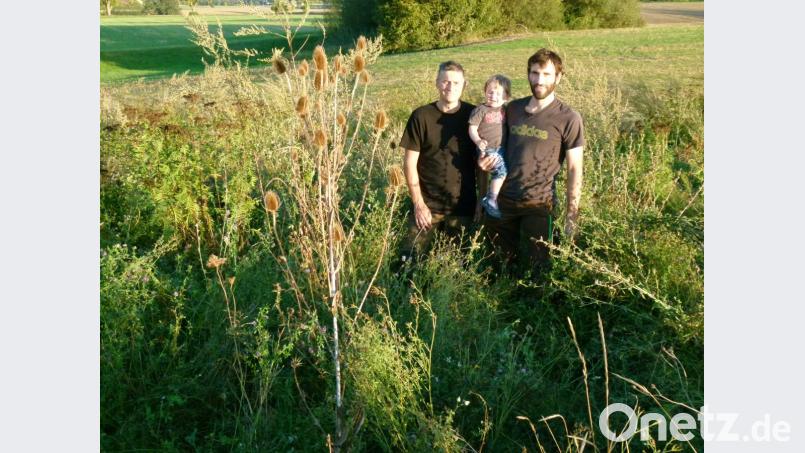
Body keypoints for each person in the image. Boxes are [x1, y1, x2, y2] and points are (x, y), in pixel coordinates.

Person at [479, 48, 584, 276]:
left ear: (558, 77)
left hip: (538, 206)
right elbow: (495, 143)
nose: (539, 80)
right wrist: (485, 160)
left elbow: (575, 168)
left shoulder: (568, 118)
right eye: (535, 73)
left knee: (538, 271)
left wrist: (571, 214)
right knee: (498, 267)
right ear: (528, 74)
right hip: (502, 202)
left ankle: (533, 306)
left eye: (546, 74)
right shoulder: (512, 109)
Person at [398, 61, 479, 261]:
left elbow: (484, 163)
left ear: (464, 85)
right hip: (427, 207)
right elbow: (409, 163)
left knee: (457, 267)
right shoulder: (421, 116)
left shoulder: (475, 116)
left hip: (463, 207)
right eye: (445, 81)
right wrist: (418, 204)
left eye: (456, 83)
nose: (450, 87)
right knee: (409, 262)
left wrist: (482, 201)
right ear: (437, 83)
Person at [468, 74, 512, 219]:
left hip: (501, 148)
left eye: (498, 93)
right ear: (485, 92)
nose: (493, 96)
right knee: (501, 172)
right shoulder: (481, 110)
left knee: (504, 171)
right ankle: (491, 199)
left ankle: (492, 200)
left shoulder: (505, 110)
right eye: (490, 92)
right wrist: (478, 141)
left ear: (506, 97)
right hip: (487, 148)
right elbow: (472, 128)